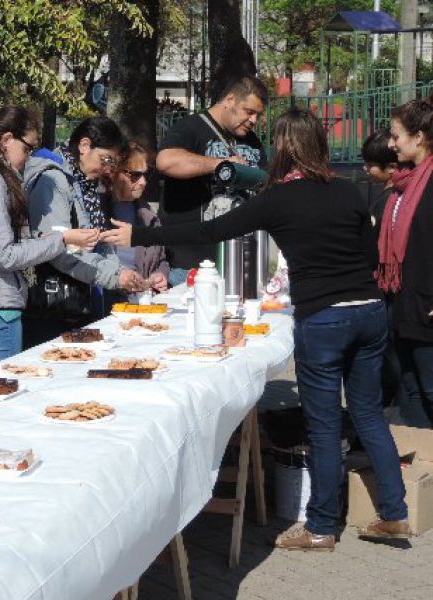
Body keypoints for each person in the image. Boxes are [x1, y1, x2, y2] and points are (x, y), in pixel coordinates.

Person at [102, 108, 410, 550]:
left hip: (324, 317)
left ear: (283, 147)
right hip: (368, 311)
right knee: (366, 414)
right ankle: (394, 513)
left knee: (323, 425)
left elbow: (214, 228)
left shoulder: (278, 198)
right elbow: (366, 252)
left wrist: (139, 237)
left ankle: (321, 527)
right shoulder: (349, 192)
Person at [0, 106, 99, 363]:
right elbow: (5, 256)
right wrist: (62, 240)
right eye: (27, 148)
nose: (29, 157)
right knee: (0, 393)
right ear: (6, 140)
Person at [23, 116, 142, 347]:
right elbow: (58, 249)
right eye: (105, 159)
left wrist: (119, 270)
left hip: (79, 298)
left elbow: (93, 241)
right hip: (51, 308)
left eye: (113, 163)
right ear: (84, 146)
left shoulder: (82, 183)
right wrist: (115, 276)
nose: (108, 169)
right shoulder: (53, 179)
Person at [156, 75, 268, 283]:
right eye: (249, 112)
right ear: (230, 100)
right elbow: (166, 161)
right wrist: (220, 164)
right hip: (191, 266)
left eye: (257, 115)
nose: (254, 120)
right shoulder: (190, 128)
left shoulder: (251, 141)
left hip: (241, 262)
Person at [379, 98, 433, 429]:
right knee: (411, 390)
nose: (391, 142)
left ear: (419, 137)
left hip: (426, 306)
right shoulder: (405, 182)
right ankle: (422, 472)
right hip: (405, 304)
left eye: (396, 135)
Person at [361, 130, 403, 412]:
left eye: (370, 165)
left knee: (391, 361)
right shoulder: (389, 196)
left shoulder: (389, 200)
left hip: (388, 291)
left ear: (391, 169)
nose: (365, 169)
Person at [108, 141, 170, 296]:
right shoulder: (96, 214)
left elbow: (161, 260)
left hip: (144, 303)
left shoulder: (148, 215)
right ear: (113, 173)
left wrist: (161, 275)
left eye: (146, 174)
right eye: (135, 175)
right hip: (109, 307)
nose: (143, 182)